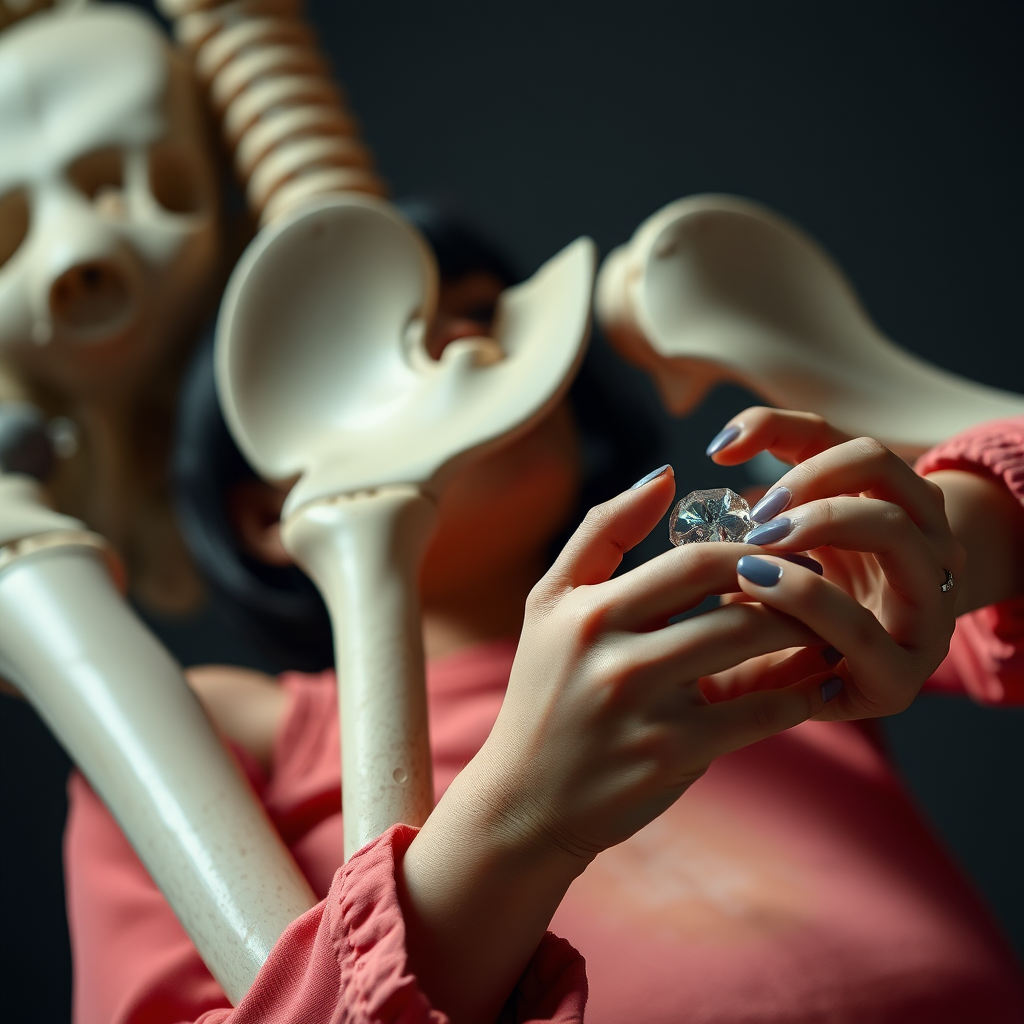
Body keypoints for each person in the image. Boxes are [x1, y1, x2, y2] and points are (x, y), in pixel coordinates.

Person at [63, 216, 1024, 1023]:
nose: (473, 344)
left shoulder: (758, 608)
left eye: (486, 314)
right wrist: (510, 826)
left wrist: (942, 548)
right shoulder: (222, 733)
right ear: (267, 512)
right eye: (400, 348)